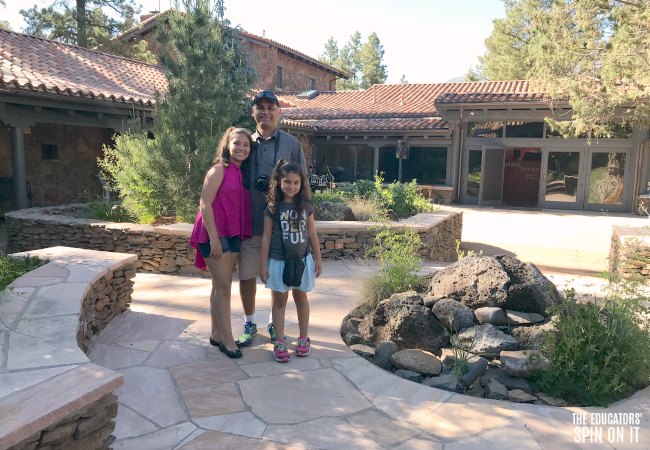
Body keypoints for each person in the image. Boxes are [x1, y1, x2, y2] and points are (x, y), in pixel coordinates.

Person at [236, 90, 309, 347]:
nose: (265, 111)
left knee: (277, 281)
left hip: (281, 229)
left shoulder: (291, 144)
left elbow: (304, 183)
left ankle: (272, 321)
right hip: (251, 222)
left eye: (271, 107)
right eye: (260, 107)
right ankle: (249, 321)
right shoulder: (244, 143)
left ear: (279, 112)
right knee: (247, 276)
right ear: (253, 111)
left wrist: (307, 216)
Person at [189, 127, 253, 359]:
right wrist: (214, 238)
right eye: (237, 143)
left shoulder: (240, 172)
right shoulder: (218, 170)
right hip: (214, 234)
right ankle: (228, 340)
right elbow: (205, 204)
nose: (241, 148)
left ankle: (216, 334)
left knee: (219, 285)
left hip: (233, 233)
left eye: (246, 145)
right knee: (224, 286)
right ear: (227, 145)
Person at [259, 160, 322, 362]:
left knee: (301, 300)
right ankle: (279, 341)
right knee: (279, 301)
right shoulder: (272, 207)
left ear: (301, 184)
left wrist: (318, 259)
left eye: (296, 182)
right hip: (278, 261)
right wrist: (263, 264)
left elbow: (312, 234)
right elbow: (266, 237)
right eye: (287, 181)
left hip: (302, 261)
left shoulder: (306, 206)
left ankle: (304, 338)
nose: (291, 186)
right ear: (278, 182)